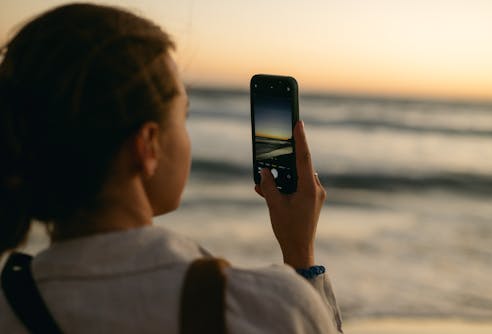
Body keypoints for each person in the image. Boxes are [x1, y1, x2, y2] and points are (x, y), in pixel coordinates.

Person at [0, 3, 343, 333]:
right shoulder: (260, 307)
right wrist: (300, 255)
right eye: (183, 116)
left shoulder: (9, 307)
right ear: (147, 145)